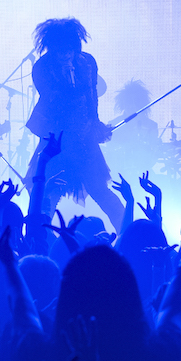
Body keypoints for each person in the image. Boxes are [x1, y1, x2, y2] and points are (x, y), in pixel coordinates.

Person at [24, 19, 124, 230]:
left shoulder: (87, 62)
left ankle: (127, 232)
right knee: (50, 192)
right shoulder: (42, 67)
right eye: (60, 50)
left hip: (83, 137)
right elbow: (53, 100)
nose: (65, 54)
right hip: (55, 138)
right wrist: (66, 77)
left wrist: (95, 123)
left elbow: (92, 95)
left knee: (99, 189)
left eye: (69, 49)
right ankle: (37, 236)